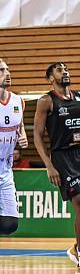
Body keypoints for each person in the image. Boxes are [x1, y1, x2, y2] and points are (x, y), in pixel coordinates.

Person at [33, 62, 80, 274]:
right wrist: (48, 164)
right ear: (50, 78)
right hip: (63, 158)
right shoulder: (46, 101)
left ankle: (77, 248)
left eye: (66, 69)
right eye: (59, 70)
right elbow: (38, 135)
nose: (65, 72)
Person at [0, 59, 27, 236]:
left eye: (8, 69)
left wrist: (23, 135)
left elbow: (20, 125)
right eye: (1, 70)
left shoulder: (18, 100)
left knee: (10, 225)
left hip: (5, 169)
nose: (7, 73)